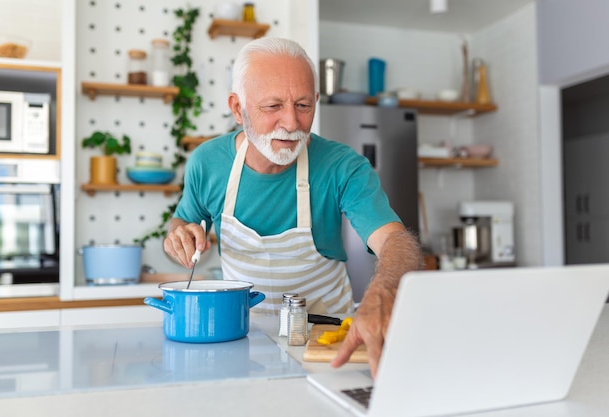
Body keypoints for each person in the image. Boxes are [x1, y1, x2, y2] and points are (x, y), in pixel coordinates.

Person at [163, 37, 423, 377]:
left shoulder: (342, 166)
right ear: (238, 107)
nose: (291, 123)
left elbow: (396, 241)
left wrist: (384, 290)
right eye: (272, 107)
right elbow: (182, 221)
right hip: (241, 341)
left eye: (303, 106)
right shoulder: (208, 163)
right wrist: (178, 235)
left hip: (327, 343)